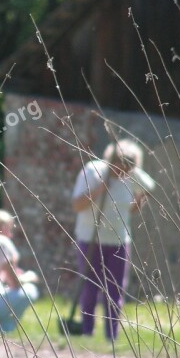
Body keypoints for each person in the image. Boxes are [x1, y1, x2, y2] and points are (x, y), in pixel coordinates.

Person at [71, 139, 156, 340]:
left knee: (115, 291)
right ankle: (87, 332)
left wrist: (140, 200)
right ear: (111, 161)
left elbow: (148, 190)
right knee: (90, 288)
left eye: (127, 169)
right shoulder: (93, 171)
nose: (122, 174)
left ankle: (112, 336)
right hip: (90, 239)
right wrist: (100, 189)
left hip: (119, 241)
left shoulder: (133, 175)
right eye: (119, 168)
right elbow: (77, 205)